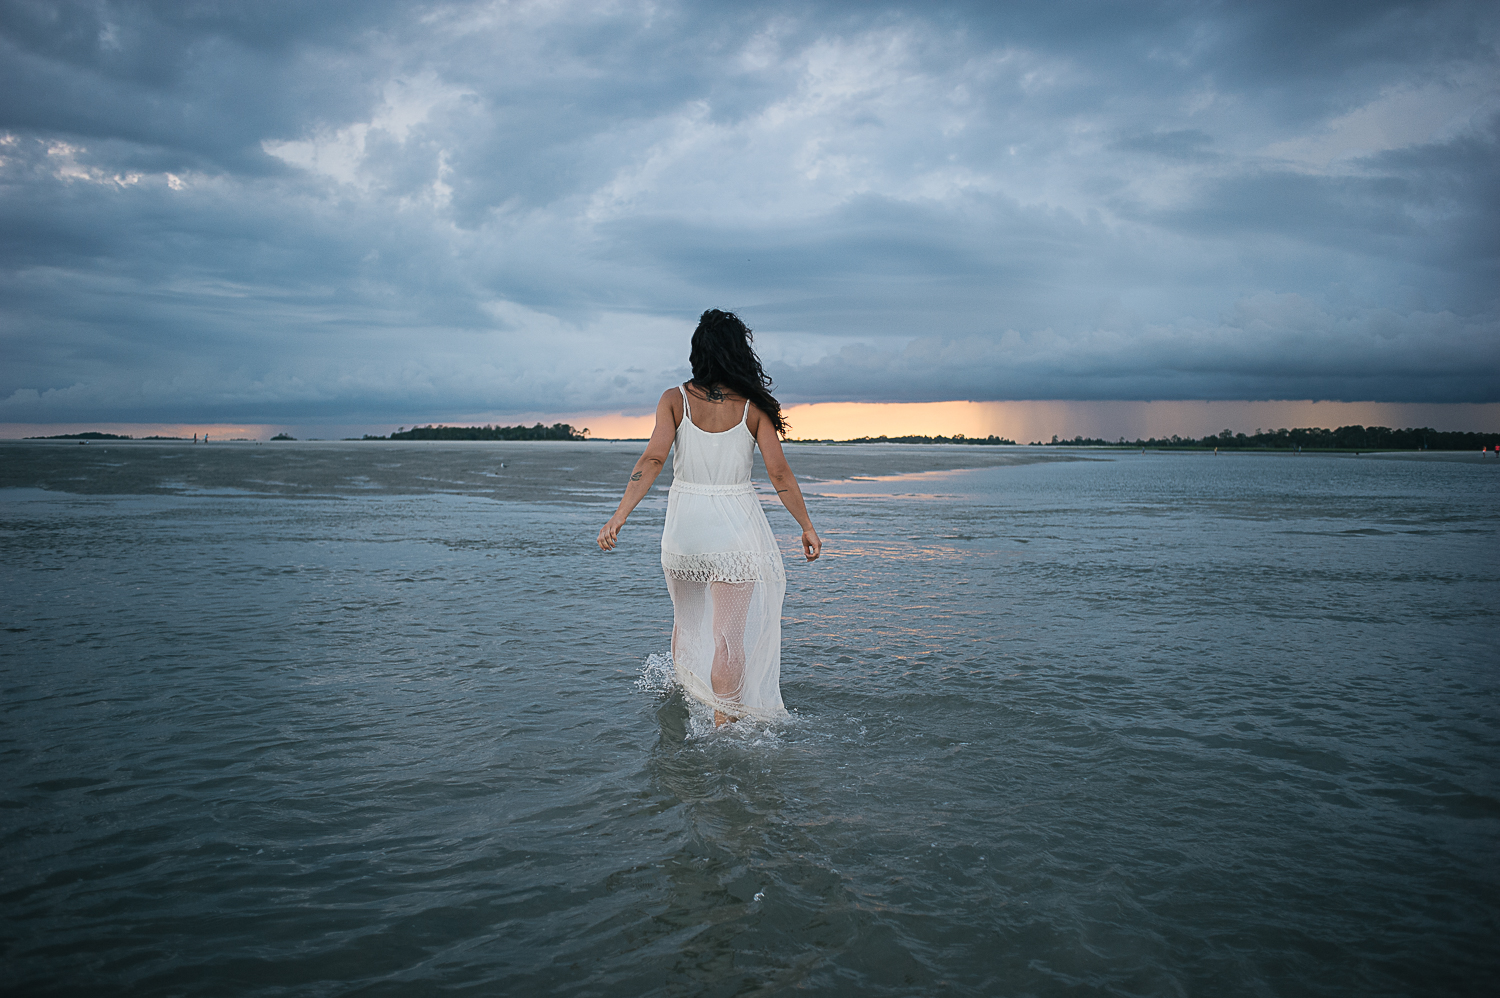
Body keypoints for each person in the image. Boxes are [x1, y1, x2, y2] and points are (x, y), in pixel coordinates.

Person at [598, 309, 821, 727]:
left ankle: (687, 699)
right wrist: (806, 526)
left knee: (686, 624)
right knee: (728, 638)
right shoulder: (752, 408)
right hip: (735, 530)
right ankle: (724, 724)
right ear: (739, 353)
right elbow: (779, 474)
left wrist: (619, 516)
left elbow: (653, 458)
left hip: (685, 531)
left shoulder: (673, 399)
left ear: (697, 353)